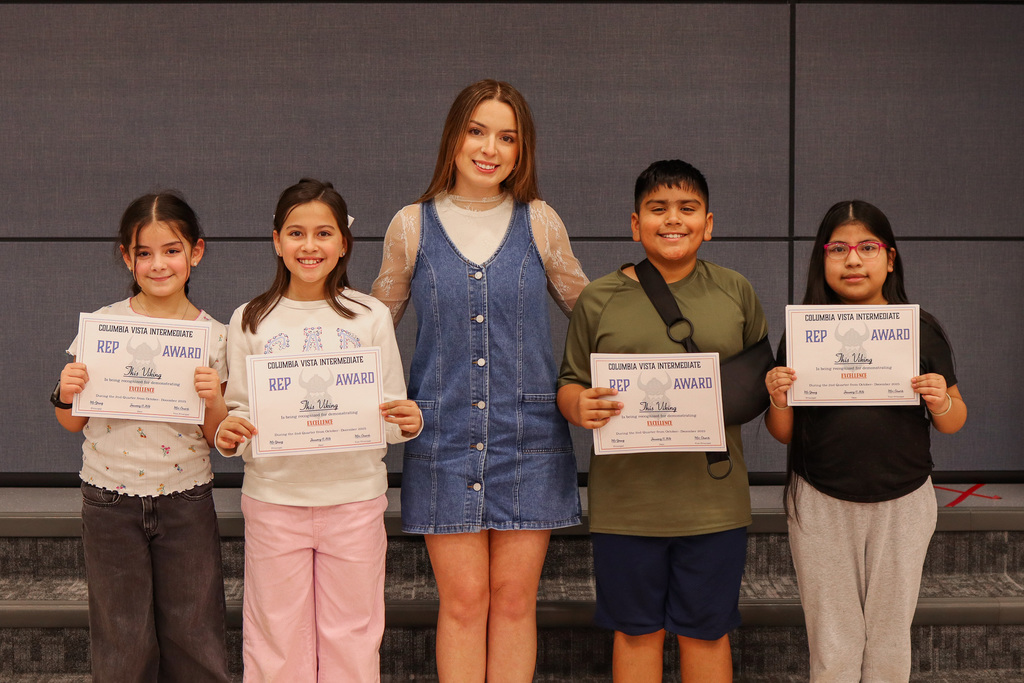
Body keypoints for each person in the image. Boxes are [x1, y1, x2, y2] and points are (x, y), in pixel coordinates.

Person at [371, 79, 588, 681]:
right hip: (441, 437)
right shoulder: (410, 225)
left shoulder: (539, 221)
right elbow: (369, 327)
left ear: (522, 151)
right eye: (476, 130)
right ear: (453, 137)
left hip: (531, 437)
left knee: (516, 604)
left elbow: (595, 313)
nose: (489, 147)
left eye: (507, 137)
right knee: (463, 604)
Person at [558, 160, 768, 682]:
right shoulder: (598, 298)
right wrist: (577, 405)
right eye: (658, 209)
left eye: (687, 209)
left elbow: (757, 384)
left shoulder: (736, 291)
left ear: (709, 223)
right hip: (626, 505)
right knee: (635, 633)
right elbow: (569, 380)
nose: (672, 220)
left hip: (714, 503)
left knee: (707, 631)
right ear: (635, 224)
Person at [215, 178, 421, 682]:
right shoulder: (248, 319)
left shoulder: (369, 316)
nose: (310, 246)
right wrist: (229, 431)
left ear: (344, 243)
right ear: (276, 241)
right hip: (274, 500)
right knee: (274, 635)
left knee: (352, 632)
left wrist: (408, 421)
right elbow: (238, 411)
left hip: (354, 499)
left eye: (323, 233)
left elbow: (390, 410)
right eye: (296, 233)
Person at [764, 200, 967, 681]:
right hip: (820, 500)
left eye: (866, 247)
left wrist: (939, 400)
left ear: (890, 258)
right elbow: (783, 433)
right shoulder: (804, 332)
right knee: (833, 639)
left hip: (905, 501)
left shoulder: (920, 329)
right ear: (822, 259)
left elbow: (954, 420)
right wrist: (777, 397)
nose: (852, 260)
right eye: (838, 248)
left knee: (890, 635)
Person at [53, 192, 230, 682]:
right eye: (145, 253)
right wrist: (66, 394)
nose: (158, 264)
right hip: (109, 499)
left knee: (195, 632)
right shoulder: (103, 326)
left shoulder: (214, 337)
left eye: (171, 250)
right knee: (121, 637)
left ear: (196, 252)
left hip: (187, 500)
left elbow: (219, 437)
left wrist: (214, 399)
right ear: (127, 257)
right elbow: (72, 422)